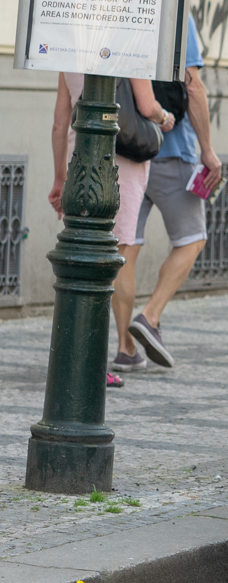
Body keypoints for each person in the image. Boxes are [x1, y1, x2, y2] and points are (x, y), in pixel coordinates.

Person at [111, 16, 221, 373]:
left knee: (126, 247)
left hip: (126, 149)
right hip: (171, 149)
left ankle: (125, 347)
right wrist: (207, 150)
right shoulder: (176, 11)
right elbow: (193, 86)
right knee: (192, 239)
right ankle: (150, 316)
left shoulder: (120, 4)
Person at [50, 73, 175, 389]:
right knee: (114, 256)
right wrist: (165, 117)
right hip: (123, 157)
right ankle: (108, 354)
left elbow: (59, 124)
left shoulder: (72, 56)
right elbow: (146, 105)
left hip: (81, 159)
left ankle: (93, 354)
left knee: (81, 255)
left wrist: (60, 178)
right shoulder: (130, 45)